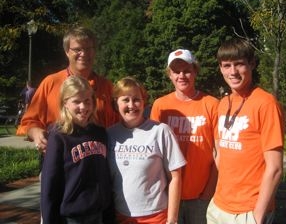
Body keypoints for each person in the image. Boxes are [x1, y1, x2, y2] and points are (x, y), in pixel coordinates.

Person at [206, 38, 285, 224]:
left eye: (239, 64)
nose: (232, 72)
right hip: (218, 207)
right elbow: (220, 154)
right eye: (226, 65)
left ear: (252, 64)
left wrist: (257, 215)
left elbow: (275, 168)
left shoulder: (266, 104)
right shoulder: (224, 103)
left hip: (248, 212)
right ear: (220, 68)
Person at [19, 26, 118, 152]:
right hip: (58, 160)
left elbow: (121, 124)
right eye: (77, 49)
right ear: (67, 52)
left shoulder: (107, 87)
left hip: (99, 161)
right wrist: (35, 132)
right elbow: (29, 121)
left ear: (94, 51)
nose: (84, 54)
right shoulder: (51, 83)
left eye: (89, 49)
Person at [150, 49, 219, 224]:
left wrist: (209, 191)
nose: (182, 75)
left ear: (195, 71)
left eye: (187, 70)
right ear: (170, 75)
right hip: (168, 194)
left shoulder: (211, 104)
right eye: (176, 71)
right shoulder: (161, 106)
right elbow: (153, 153)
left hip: (200, 196)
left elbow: (219, 153)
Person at [107, 76, 186, 224]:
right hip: (121, 215)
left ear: (144, 102)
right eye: (125, 100)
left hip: (156, 216)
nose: (132, 105)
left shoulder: (160, 131)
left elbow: (175, 177)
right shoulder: (109, 135)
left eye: (137, 99)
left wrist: (172, 219)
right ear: (116, 103)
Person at [41, 76, 113, 224]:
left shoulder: (100, 133)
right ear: (65, 103)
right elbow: (50, 184)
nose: (83, 107)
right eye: (76, 102)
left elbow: (106, 176)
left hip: (99, 212)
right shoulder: (58, 136)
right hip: (73, 217)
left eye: (87, 101)